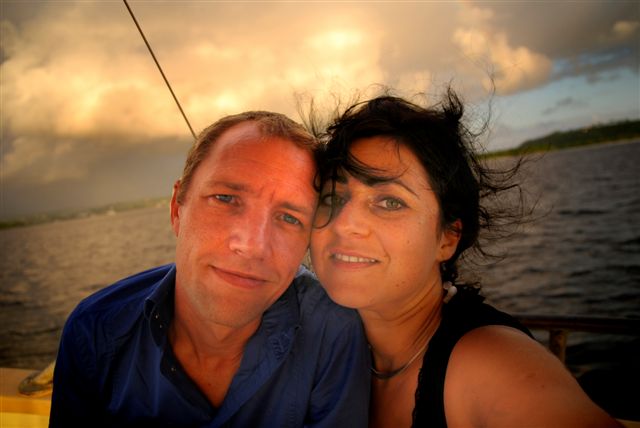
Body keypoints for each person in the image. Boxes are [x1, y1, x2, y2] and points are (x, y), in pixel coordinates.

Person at [310, 90, 621, 427]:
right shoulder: (327, 347)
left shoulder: (492, 365)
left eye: (390, 202)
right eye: (333, 198)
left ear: (447, 238)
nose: (344, 224)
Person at [50, 111, 370, 427]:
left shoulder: (332, 331)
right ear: (177, 209)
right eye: (226, 198)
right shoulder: (96, 330)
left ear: (306, 242)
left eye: (289, 218)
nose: (252, 245)